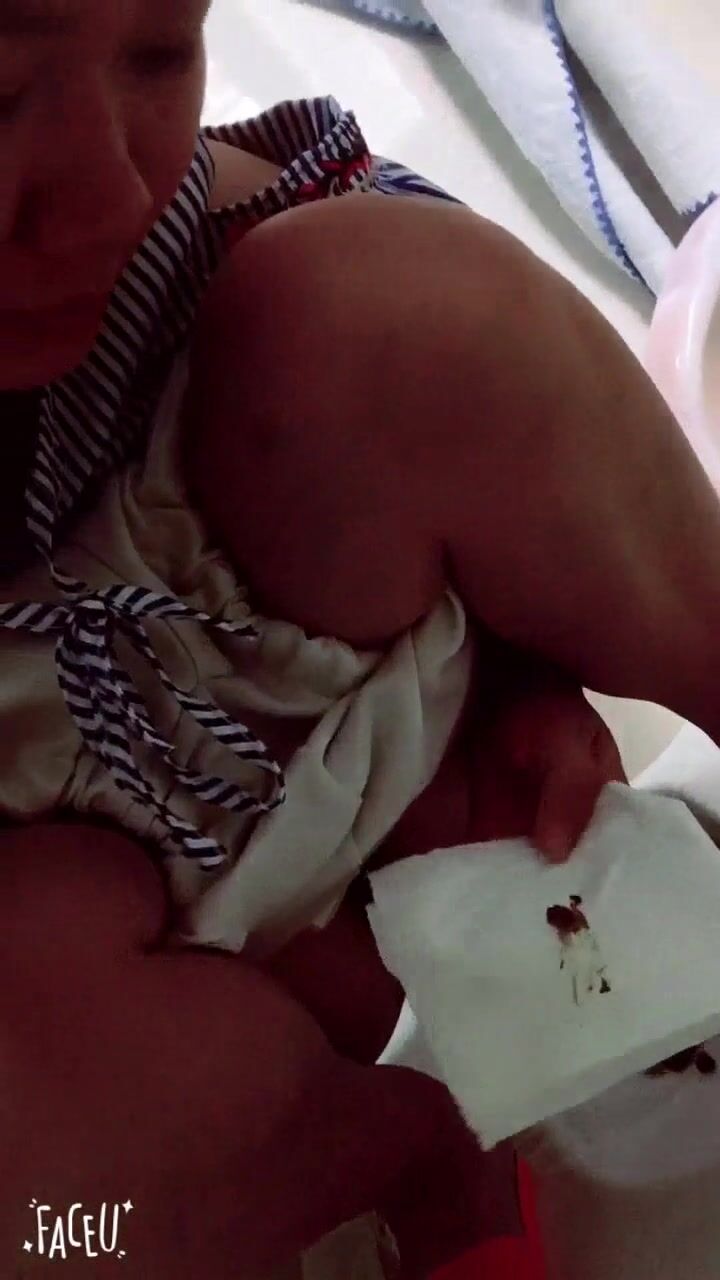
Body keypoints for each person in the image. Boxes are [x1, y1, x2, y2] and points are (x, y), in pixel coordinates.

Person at [1, 0, 719, 1276]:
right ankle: (404, 1168)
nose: (112, 187)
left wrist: (520, 668)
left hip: (307, 713)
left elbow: (419, 303)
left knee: (391, 305)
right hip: (107, 1008)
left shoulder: (169, 227)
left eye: (161, 51)